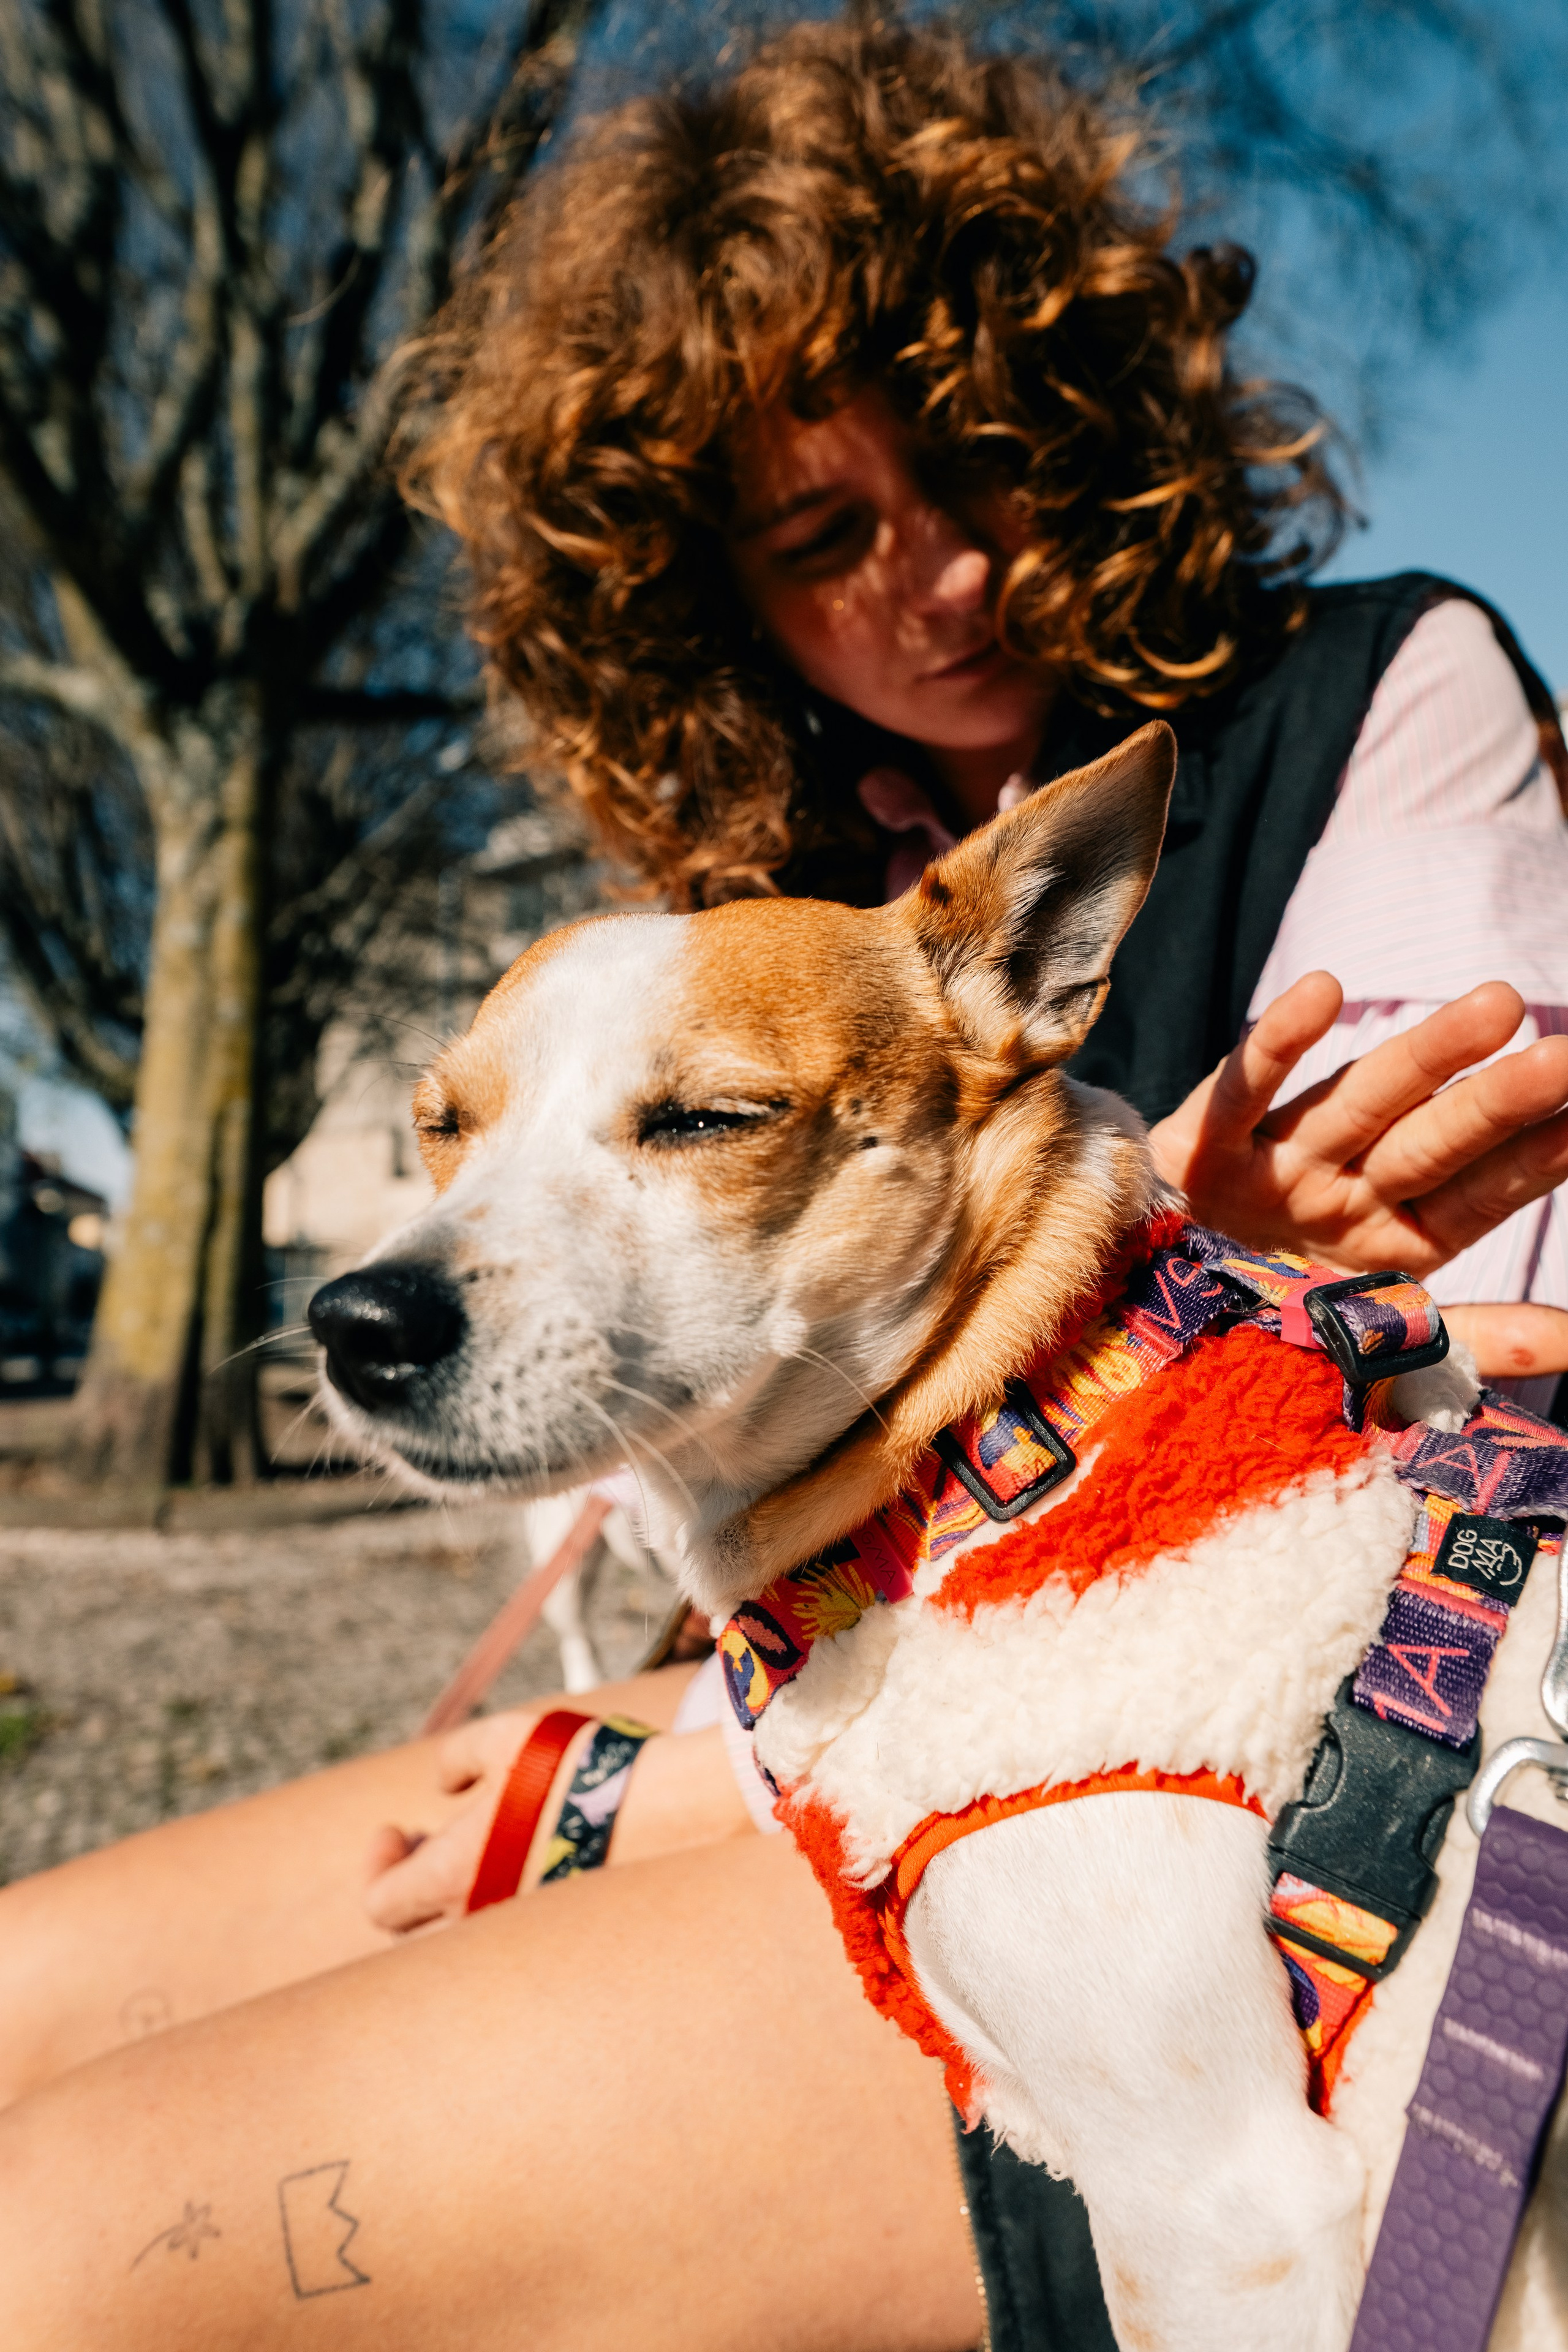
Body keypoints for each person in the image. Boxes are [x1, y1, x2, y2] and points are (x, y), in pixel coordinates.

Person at [1, 23, 1566, 2350]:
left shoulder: (1361, 699)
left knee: (63, 2246)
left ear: (1090, 418)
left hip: (1186, 1760)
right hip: (786, 1683)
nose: (943, 569)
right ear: (699, 579)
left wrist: (646, 1776)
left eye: (982, 457)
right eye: (824, 535)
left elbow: (1470, 1329)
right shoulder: (749, 874)